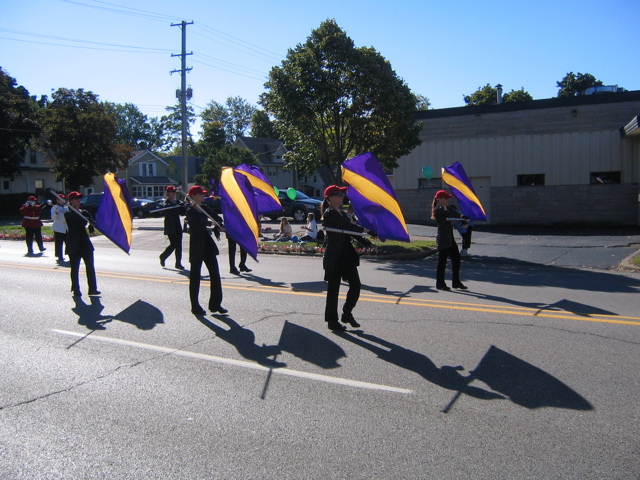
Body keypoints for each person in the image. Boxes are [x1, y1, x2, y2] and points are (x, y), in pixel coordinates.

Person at [321, 185, 372, 331]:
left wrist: (367, 239)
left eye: (343, 194)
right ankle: (332, 320)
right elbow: (347, 227)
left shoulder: (342, 214)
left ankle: (347, 313)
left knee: (356, 286)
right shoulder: (330, 213)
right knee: (334, 290)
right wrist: (365, 230)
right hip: (335, 256)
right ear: (330, 198)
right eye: (339, 194)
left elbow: (351, 231)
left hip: (347, 255)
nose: (342, 196)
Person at [186, 185, 227, 316]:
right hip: (197, 245)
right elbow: (196, 223)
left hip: (207, 244)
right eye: (201, 194)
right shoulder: (189, 210)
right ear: (193, 196)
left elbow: (217, 217)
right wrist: (210, 223)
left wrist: (219, 224)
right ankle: (195, 306)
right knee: (195, 276)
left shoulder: (204, 208)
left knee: (215, 273)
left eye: (203, 194)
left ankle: (215, 304)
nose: (203, 196)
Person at [65, 191, 100, 297]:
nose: (78, 200)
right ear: (70, 201)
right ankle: (76, 289)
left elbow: (91, 221)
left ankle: (92, 289)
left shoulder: (84, 212)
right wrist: (81, 215)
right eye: (75, 199)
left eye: (79, 198)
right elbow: (77, 221)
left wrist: (91, 223)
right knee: (75, 268)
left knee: (90, 266)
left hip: (85, 243)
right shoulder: (68, 214)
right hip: (73, 243)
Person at [431, 190, 468, 291]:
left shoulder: (446, 208)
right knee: (442, 261)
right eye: (445, 198)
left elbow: (453, 213)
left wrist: (463, 218)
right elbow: (450, 213)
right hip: (443, 237)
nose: (447, 200)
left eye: (447, 198)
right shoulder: (439, 209)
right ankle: (440, 283)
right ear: (439, 199)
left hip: (449, 237)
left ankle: (456, 281)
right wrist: (461, 218)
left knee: (456, 259)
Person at [158, 186, 186, 270]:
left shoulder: (177, 202)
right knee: (174, 244)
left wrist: (183, 207)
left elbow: (182, 212)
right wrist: (175, 206)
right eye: (172, 192)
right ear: (168, 193)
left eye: (174, 192)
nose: (173, 193)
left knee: (179, 245)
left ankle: (178, 263)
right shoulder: (166, 203)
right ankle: (163, 256)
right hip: (170, 226)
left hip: (177, 225)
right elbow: (166, 209)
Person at [50, 193, 68, 263]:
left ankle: (70, 254)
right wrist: (56, 213)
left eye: (63, 199)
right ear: (58, 200)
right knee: (59, 242)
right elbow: (52, 217)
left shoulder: (66, 207)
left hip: (66, 227)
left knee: (68, 242)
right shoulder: (54, 207)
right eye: (61, 199)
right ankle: (59, 255)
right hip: (58, 227)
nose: (62, 200)